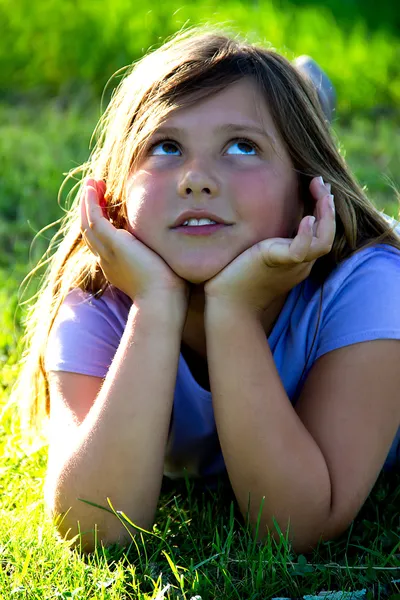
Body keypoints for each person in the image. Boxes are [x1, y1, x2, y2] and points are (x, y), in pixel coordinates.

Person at [12, 24, 400, 556]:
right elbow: (96, 528)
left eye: (241, 147)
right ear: (117, 196)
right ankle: (296, 98)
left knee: (276, 102)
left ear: (306, 191)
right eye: (166, 146)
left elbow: (300, 524)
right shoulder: (100, 297)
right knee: (265, 101)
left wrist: (233, 312)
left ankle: (303, 96)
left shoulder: (369, 283)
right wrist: (153, 303)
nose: (197, 179)